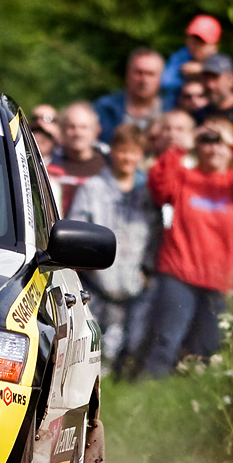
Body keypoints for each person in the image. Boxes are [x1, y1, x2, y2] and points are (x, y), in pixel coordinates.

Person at [138, 117, 233, 378]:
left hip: (219, 281)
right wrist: (181, 148)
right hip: (179, 274)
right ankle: (146, 393)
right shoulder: (184, 177)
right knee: (166, 341)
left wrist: (232, 142)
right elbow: (158, 185)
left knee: (207, 349)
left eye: (220, 143)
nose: (213, 148)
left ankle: (186, 399)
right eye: (207, 141)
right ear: (197, 147)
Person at [66, 124, 159, 374]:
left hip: (133, 280)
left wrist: (147, 269)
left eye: (134, 152)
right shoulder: (92, 188)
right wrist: (89, 266)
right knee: (92, 342)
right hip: (97, 280)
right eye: (122, 151)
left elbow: (155, 234)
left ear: (141, 155)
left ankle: (121, 378)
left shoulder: (148, 193)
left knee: (130, 343)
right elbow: (79, 228)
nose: (127, 157)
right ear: (113, 152)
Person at [92, 47, 165, 144]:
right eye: (139, 73)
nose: (144, 80)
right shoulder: (105, 108)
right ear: (128, 74)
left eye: (150, 74)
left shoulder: (170, 111)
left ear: (160, 78)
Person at [47, 101, 108, 215]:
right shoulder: (48, 166)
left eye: (84, 127)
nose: (78, 133)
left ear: (96, 131)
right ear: (62, 131)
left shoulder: (108, 167)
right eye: (71, 127)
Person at [161, 14, 221, 103]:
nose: (196, 45)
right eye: (193, 39)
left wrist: (204, 70)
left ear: (214, 46)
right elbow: (165, 83)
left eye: (202, 42)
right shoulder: (179, 57)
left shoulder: (222, 64)